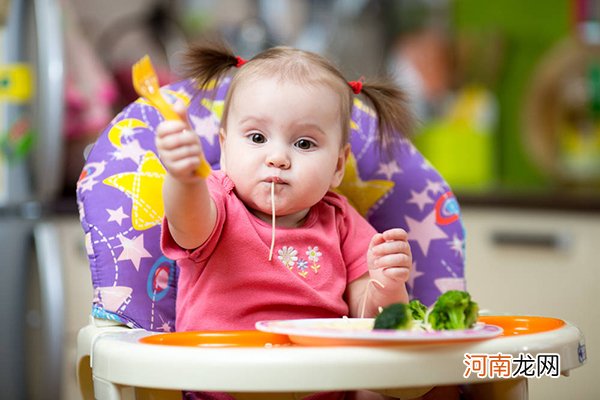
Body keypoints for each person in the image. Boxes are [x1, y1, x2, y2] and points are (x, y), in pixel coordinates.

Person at [156, 40, 414, 334]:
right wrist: (183, 177)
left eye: (304, 143)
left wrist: (387, 285)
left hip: (320, 373)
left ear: (338, 166)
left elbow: (371, 319)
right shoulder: (217, 200)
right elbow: (187, 223)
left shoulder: (341, 222)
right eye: (256, 138)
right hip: (226, 370)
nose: (277, 158)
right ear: (225, 149)